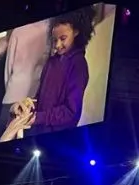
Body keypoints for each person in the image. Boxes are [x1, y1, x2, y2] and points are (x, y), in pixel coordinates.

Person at [15, 7, 95, 135]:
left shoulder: (79, 65)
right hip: (36, 131)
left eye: (63, 38)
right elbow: (41, 98)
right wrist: (29, 106)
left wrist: (39, 117)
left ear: (76, 32)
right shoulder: (51, 61)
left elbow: (71, 112)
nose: (57, 45)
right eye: (55, 40)